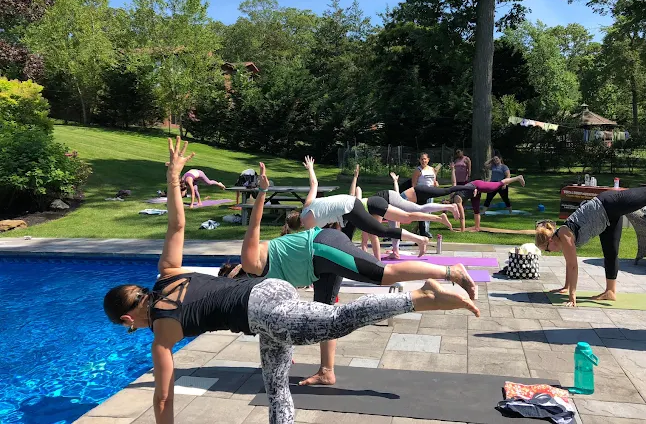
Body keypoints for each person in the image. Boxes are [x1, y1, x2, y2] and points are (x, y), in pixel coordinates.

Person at [103, 137, 481, 424]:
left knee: (336, 320)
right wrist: (173, 180)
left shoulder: (162, 333)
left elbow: (163, 399)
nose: (133, 330)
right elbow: (177, 225)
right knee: (276, 387)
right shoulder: (167, 272)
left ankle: (419, 296)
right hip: (266, 305)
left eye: (128, 327)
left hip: (265, 308)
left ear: (127, 318)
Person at [239, 162, 479, 388]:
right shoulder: (266, 286)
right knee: (325, 312)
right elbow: (280, 316)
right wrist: (282, 346)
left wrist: (262, 192)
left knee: (384, 274)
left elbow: (254, 226)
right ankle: (326, 371)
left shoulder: (251, 263)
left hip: (322, 247)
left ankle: (451, 272)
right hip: (319, 265)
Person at [535, 170, 646, 307]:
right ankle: (610, 292)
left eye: (547, 250)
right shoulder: (561, 237)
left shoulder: (565, 235)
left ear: (550, 241)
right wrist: (566, 287)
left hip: (611, 203)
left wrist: (572, 297)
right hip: (606, 220)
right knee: (611, 253)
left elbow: (573, 266)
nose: (550, 252)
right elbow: (569, 263)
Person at [290, 156, 431, 256]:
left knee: (379, 231)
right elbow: (314, 184)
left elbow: (311, 248)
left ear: (299, 226)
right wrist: (310, 168)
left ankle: (420, 239)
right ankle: (419, 239)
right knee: (357, 235)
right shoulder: (307, 205)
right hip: (349, 204)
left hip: (349, 209)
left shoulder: (308, 226)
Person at [411, 153, 441, 238]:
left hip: (430, 192)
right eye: (422, 159)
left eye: (425, 159)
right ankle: (423, 232)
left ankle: (425, 230)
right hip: (421, 193)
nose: (423, 161)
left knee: (429, 211)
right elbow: (414, 184)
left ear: (428, 160)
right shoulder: (418, 170)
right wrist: (415, 194)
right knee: (423, 212)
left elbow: (434, 181)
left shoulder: (432, 169)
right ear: (419, 160)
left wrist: (436, 184)